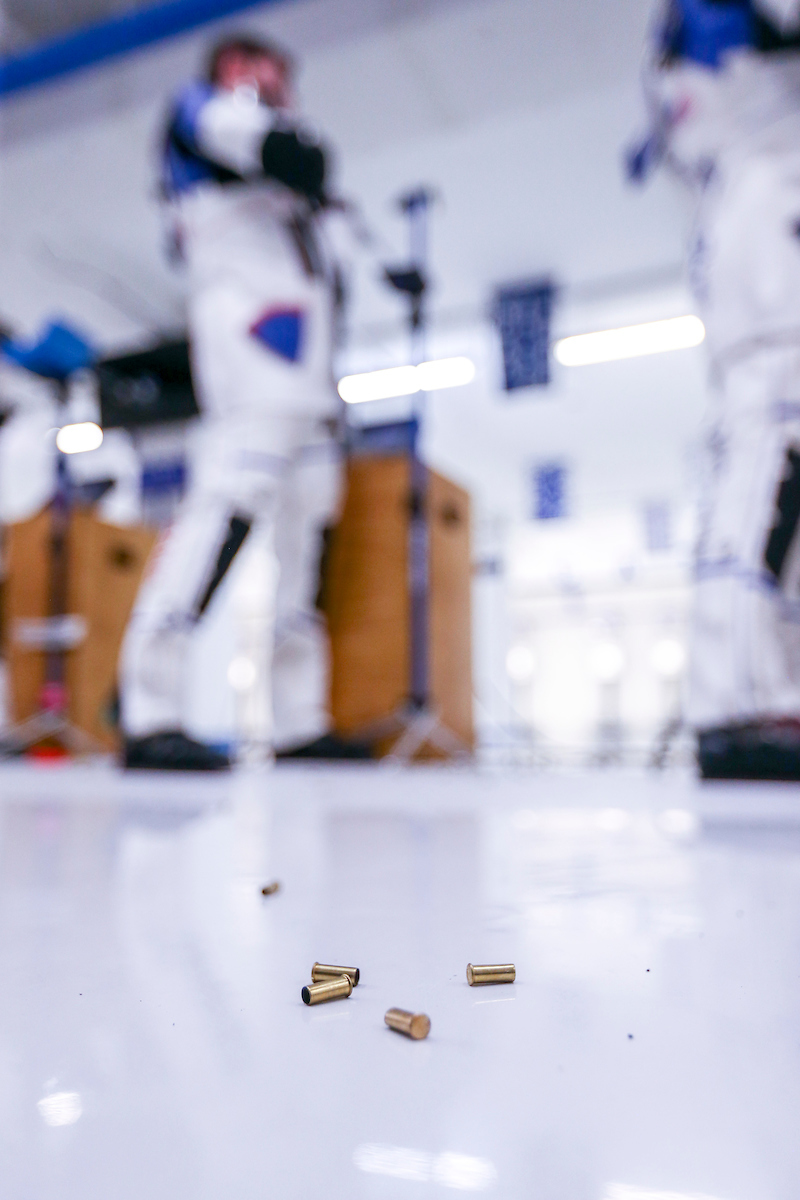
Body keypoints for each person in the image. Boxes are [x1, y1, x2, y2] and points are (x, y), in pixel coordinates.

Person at [121, 35, 369, 769]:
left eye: (282, 76)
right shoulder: (203, 115)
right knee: (225, 508)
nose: (275, 85)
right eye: (261, 71)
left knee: (307, 533)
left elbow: (344, 238)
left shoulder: (290, 183)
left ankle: (297, 717)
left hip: (314, 376)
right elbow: (295, 155)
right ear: (229, 72)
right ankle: (150, 705)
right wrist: (294, 151)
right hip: (254, 352)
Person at [630, 0, 800, 779]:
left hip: (756, 222)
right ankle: (733, 702)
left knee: (781, 481)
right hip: (771, 242)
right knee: (771, 450)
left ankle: (766, 691)